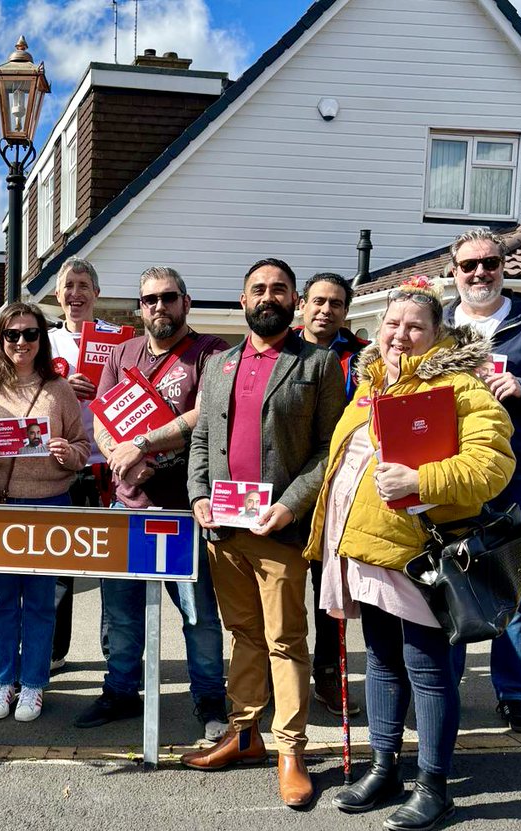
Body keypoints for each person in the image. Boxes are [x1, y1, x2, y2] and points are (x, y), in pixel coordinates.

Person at [306, 276, 515, 829]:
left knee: (427, 670)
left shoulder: (462, 389)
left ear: (437, 333)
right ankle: (384, 767)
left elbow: (492, 468)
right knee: (380, 661)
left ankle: (434, 784)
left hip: (420, 557)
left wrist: (423, 478)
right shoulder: (369, 385)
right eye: (393, 324)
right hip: (365, 551)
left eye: (414, 326)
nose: (401, 334)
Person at [183, 258, 345, 808]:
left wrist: (293, 504)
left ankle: (291, 749)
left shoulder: (319, 364)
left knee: (285, 639)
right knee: (245, 636)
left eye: (279, 289)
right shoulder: (220, 365)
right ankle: (245, 732)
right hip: (225, 530)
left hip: (279, 530)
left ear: (295, 300)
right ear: (242, 297)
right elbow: (202, 438)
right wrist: (199, 494)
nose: (267, 296)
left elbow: (331, 448)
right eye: (258, 288)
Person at [78, 266, 230, 743]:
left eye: (168, 297)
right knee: (120, 611)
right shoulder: (122, 353)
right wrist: (122, 460)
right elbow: (102, 417)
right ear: (139, 307)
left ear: (186, 302)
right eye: (149, 300)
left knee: (197, 615)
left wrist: (141, 446)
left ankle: (209, 698)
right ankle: (121, 690)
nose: (158, 306)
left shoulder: (211, 353)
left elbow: (204, 413)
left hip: (185, 507)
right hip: (128, 506)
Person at [442, 229, 521, 734]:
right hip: (449, 478)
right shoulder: (441, 323)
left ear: (503, 267)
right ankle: (443, 688)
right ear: (454, 271)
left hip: (518, 477)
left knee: (515, 587)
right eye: (469, 265)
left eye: (489, 263)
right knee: (448, 581)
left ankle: (513, 693)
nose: (480, 273)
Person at [0, 302, 89, 723]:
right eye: (12, 334)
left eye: (30, 334)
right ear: (0, 338)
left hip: (49, 503)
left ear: (41, 338)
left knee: (39, 600)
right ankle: (3, 678)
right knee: (0, 601)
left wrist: (69, 453)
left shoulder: (60, 390)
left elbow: (83, 449)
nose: (21, 342)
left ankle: (33, 683)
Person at [295, 272, 369, 718]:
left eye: (336, 304)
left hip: (337, 494)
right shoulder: (278, 349)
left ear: (346, 310)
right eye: (318, 301)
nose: (326, 310)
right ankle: (271, 675)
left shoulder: (363, 360)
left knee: (331, 596)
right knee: (280, 595)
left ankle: (328, 674)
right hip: (284, 491)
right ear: (303, 304)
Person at [46, 258, 109, 672]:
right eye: (69, 285)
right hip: (59, 466)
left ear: (96, 293)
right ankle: (52, 653)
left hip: (106, 466)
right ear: (57, 294)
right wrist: (61, 387)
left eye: (84, 285)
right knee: (57, 566)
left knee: (112, 567)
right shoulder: (43, 341)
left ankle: (116, 655)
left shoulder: (119, 340)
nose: (76, 293)